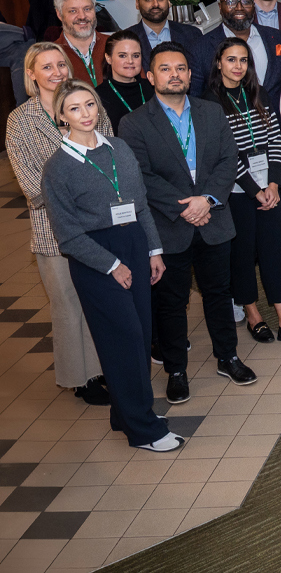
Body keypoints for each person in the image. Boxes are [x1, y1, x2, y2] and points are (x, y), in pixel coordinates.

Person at [41, 80, 181, 451]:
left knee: (141, 334)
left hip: (134, 243)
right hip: (96, 258)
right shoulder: (58, 168)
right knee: (124, 341)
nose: (85, 114)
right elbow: (68, 235)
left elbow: (140, 205)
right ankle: (143, 430)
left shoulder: (118, 148)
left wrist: (153, 250)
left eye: (89, 104)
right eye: (74, 108)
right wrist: (112, 265)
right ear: (61, 116)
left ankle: (125, 414)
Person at [120, 42, 255, 404]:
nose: (174, 75)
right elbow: (141, 175)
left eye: (180, 68)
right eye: (165, 69)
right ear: (150, 77)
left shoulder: (212, 112)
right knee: (171, 302)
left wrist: (206, 199)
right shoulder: (133, 123)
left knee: (219, 294)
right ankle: (176, 370)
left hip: (213, 218)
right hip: (169, 225)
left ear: (190, 74)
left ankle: (227, 357)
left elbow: (228, 159)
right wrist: (185, 207)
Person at [6, 43, 109, 405]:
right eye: (46, 67)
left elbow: (109, 156)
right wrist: (81, 194)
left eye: (60, 64)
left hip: (101, 223)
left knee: (101, 299)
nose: (56, 72)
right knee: (67, 303)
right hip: (54, 229)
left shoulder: (87, 102)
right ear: (31, 74)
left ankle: (104, 366)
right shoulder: (20, 120)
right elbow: (30, 184)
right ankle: (80, 377)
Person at [204, 37, 281, 344]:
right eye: (231, 60)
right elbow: (223, 153)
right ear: (219, 63)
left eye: (243, 60)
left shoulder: (258, 91)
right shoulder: (210, 102)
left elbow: (275, 140)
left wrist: (272, 183)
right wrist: (254, 189)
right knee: (242, 253)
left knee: (273, 250)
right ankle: (253, 315)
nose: (238, 66)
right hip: (237, 192)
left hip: (268, 188)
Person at [200, 0, 281, 105]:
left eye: (246, 2)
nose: (239, 7)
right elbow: (197, 102)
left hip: (275, 115)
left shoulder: (278, 38)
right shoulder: (201, 47)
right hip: (228, 115)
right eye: (231, 2)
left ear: (253, 5)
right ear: (220, 6)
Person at [124, 0, 201, 66]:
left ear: (168, 2)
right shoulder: (125, 39)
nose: (155, 4)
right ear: (137, 4)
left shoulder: (192, 34)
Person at [53, 0, 111, 91]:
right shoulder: (51, 53)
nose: (82, 16)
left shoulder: (115, 45)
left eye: (87, 9)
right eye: (73, 11)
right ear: (59, 14)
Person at [97, 32, 153, 128]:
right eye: (122, 56)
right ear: (108, 58)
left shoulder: (153, 89)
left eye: (136, 56)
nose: (130, 61)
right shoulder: (97, 97)